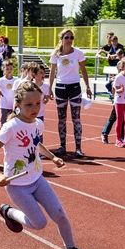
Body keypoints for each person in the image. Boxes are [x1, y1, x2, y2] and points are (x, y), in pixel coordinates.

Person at [0, 80, 89, 249]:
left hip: (37, 179)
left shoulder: (38, 124)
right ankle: (9, 212)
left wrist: (53, 157)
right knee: (39, 223)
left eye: (38, 103)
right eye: (28, 105)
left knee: (60, 215)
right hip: (17, 186)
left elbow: (35, 143)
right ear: (17, 104)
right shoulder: (11, 127)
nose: (34, 108)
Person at [47, 28, 92, 158]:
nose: (69, 40)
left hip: (75, 87)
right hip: (60, 87)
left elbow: (83, 70)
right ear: (61, 39)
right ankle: (62, 146)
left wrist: (88, 86)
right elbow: (52, 72)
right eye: (66, 37)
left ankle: (78, 148)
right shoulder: (55, 54)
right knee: (61, 119)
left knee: (76, 118)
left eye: (71, 37)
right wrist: (49, 88)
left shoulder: (78, 53)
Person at [0, 57, 17, 125]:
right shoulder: (1, 80)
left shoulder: (16, 80)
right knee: (3, 122)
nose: (9, 70)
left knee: (13, 122)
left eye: (11, 69)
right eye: (7, 69)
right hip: (4, 105)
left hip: (13, 105)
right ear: (3, 69)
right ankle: (1, 132)